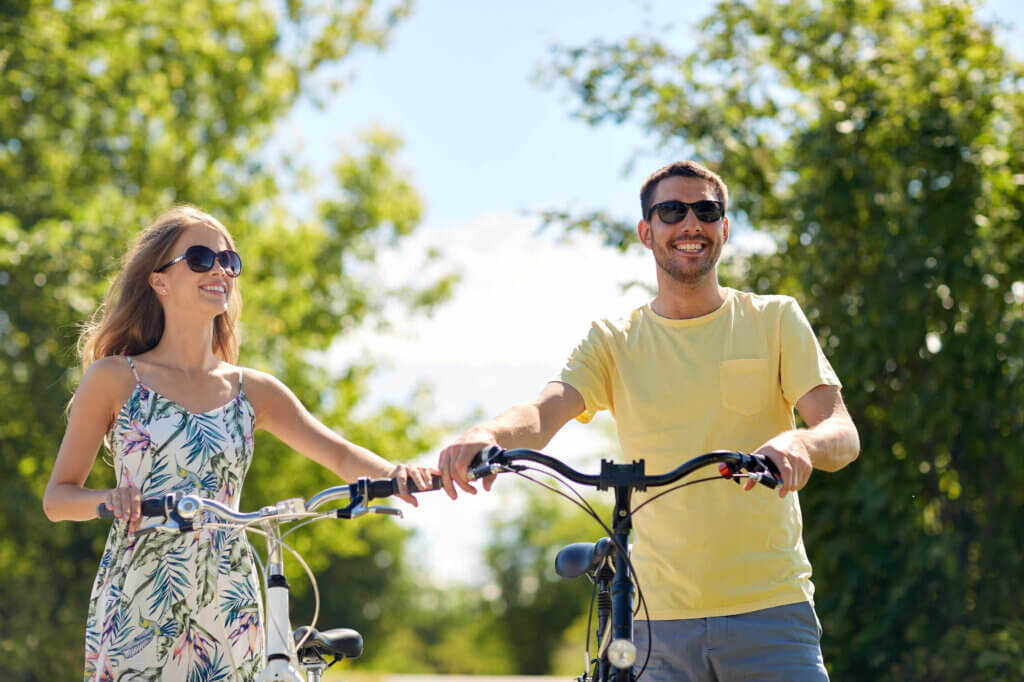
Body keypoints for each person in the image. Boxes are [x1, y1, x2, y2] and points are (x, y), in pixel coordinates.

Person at [438, 161, 860, 681]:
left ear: (724, 229)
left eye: (706, 211)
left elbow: (842, 434)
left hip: (770, 612)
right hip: (655, 625)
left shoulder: (773, 320)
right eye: (671, 211)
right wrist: (487, 435)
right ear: (647, 231)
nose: (691, 224)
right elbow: (544, 411)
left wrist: (801, 443)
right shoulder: (615, 340)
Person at [43, 205, 436, 682]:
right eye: (202, 258)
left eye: (230, 260)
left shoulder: (254, 390)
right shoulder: (114, 378)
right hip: (140, 598)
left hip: (231, 600)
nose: (221, 270)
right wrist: (110, 499)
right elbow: (59, 498)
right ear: (159, 280)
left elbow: (337, 454)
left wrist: (397, 474)